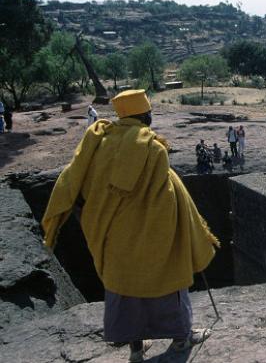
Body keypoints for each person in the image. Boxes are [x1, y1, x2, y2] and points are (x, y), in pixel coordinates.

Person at [41, 90, 218, 363]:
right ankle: (181, 339)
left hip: (114, 235)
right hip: (152, 234)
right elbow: (163, 195)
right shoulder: (153, 148)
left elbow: (81, 184)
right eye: (149, 113)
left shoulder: (100, 144)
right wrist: (184, 216)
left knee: (126, 290)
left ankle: (136, 349)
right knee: (170, 285)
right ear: (145, 115)